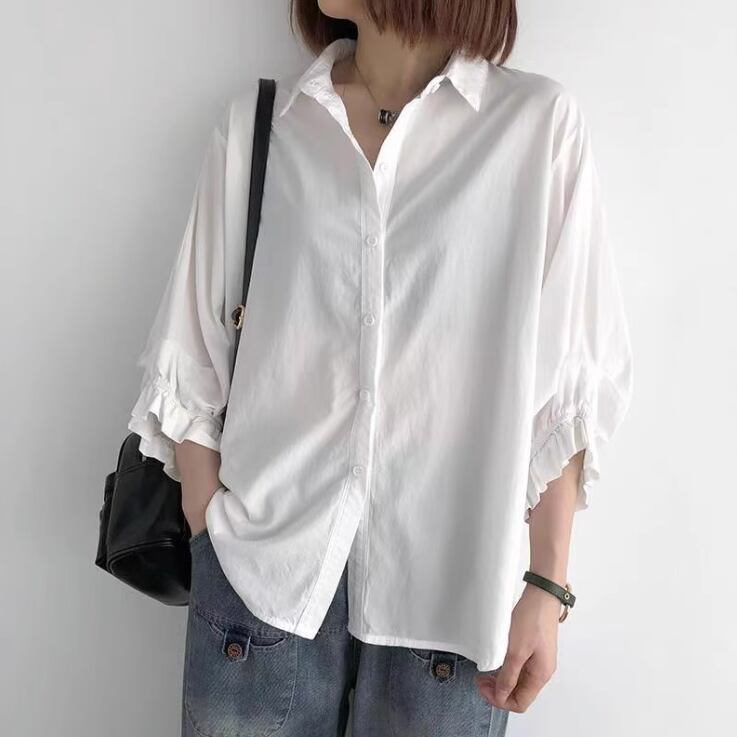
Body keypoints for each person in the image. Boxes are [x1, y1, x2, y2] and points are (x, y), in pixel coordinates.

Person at [127, 1, 634, 734]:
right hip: (260, 587)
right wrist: (213, 539)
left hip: (453, 609)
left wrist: (546, 584)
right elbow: (191, 356)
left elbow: (566, 389)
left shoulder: (536, 127)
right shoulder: (264, 125)